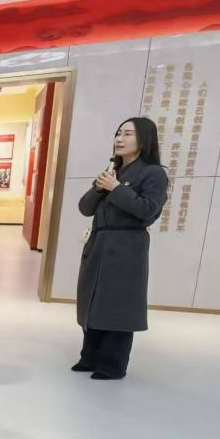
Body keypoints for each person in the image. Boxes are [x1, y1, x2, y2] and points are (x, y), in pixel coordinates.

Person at [74, 117, 168, 380]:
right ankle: (89, 356)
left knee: (118, 305)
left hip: (126, 247)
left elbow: (148, 211)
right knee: (93, 301)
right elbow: (85, 208)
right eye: (118, 133)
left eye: (127, 134)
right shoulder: (112, 171)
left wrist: (115, 189)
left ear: (144, 140)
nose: (119, 139)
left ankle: (112, 364)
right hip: (99, 243)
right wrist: (100, 187)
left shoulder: (154, 173)